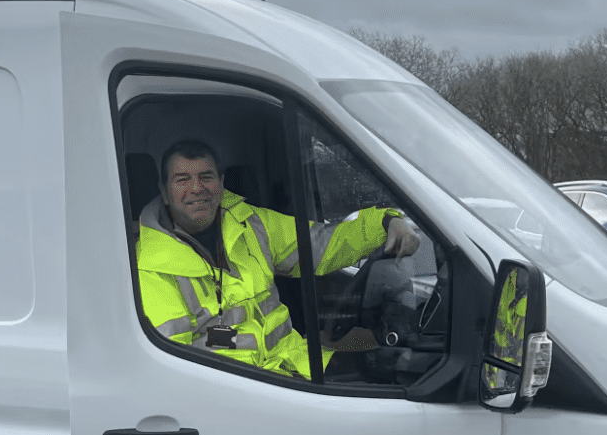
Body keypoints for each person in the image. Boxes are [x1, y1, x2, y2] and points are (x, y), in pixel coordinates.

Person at [135, 139, 419, 379]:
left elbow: (322, 244)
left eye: (206, 177)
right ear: (165, 193)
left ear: (221, 183)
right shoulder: (148, 266)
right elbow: (174, 362)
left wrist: (385, 222)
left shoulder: (249, 222)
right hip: (238, 388)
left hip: (297, 363)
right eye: (183, 180)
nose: (197, 188)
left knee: (400, 370)